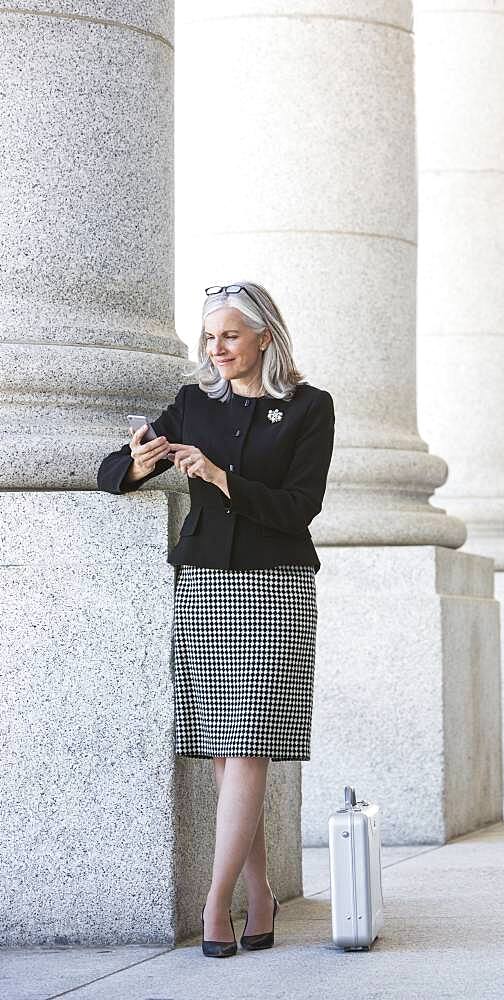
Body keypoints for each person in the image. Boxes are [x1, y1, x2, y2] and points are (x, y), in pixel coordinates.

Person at [96, 281, 335, 958]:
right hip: (205, 584)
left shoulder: (310, 408)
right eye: (210, 336)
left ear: (264, 335)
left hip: (275, 585)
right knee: (225, 753)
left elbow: (300, 507)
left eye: (230, 334)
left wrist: (223, 478)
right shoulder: (193, 404)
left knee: (250, 743)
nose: (216, 348)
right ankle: (258, 899)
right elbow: (110, 470)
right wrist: (138, 465)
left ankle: (214, 905)